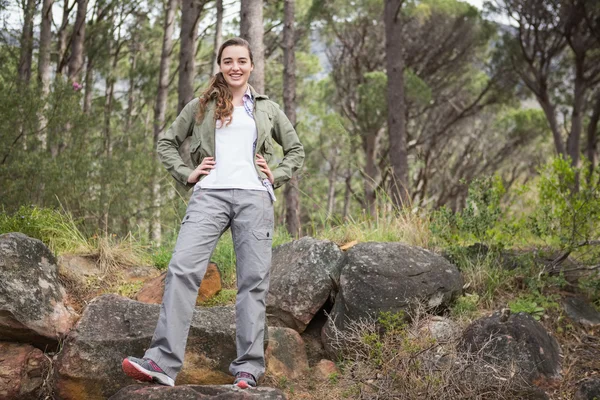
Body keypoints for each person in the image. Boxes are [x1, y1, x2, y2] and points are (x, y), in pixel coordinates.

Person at [121, 37, 304, 389]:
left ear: (251, 65)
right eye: (228, 60)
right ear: (220, 65)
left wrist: (276, 174)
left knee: (252, 283)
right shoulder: (201, 105)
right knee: (182, 269)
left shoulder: (266, 108)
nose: (235, 66)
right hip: (209, 196)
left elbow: (295, 149)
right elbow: (166, 142)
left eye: (242, 61)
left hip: (254, 198)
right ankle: (161, 361)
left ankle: (248, 370)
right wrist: (187, 173)